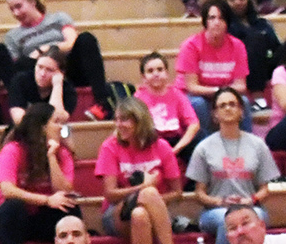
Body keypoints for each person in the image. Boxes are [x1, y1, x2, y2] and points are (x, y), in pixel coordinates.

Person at [0, 0, 112, 120]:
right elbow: (16, 68)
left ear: (32, 2)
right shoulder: (13, 36)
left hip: (67, 69)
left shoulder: (58, 19)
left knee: (86, 38)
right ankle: (15, 107)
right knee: (0, 50)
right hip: (38, 75)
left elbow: (71, 42)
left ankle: (103, 103)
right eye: (12, 9)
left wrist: (44, 49)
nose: (16, 13)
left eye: (19, 6)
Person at [186, 87, 279, 244]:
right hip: (214, 211)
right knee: (228, 220)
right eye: (222, 105)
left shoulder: (258, 145)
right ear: (214, 114)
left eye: (232, 104)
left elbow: (265, 189)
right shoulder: (203, 148)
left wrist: (251, 199)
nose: (228, 108)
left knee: (254, 219)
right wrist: (220, 202)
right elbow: (199, 194)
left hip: (250, 207)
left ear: (241, 111)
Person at [0, 102, 81, 244]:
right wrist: (47, 200)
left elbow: (64, 190)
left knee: (69, 207)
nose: (60, 127)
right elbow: (8, 191)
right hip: (7, 219)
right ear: (42, 127)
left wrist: (51, 157)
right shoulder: (13, 149)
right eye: (55, 122)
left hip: (39, 217)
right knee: (14, 207)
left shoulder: (62, 152)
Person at [94, 98, 183, 244]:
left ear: (139, 120)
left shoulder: (162, 146)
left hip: (153, 212)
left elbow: (177, 192)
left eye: (124, 120)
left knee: (140, 214)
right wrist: (142, 189)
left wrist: (151, 203)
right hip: (117, 212)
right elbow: (110, 194)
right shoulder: (110, 146)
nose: (118, 125)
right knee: (148, 192)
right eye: (116, 120)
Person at [176, 0, 254, 136]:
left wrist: (222, 94)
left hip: (223, 93)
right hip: (196, 95)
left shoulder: (237, 46)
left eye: (221, 18)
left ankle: (246, 145)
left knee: (245, 103)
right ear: (205, 21)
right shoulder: (191, 46)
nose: (216, 23)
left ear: (227, 22)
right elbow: (192, 87)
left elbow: (241, 86)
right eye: (212, 18)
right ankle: (205, 148)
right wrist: (219, 91)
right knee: (198, 105)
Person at [133, 52, 202, 164]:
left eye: (160, 69)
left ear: (167, 73)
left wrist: (177, 148)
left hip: (175, 140)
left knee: (198, 148)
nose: (156, 74)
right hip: (151, 140)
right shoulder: (138, 97)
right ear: (143, 77)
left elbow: (194, 124)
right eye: (150, 71)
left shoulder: (177, 94)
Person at [223, 0, 280, 93]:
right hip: (233, 69)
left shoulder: (263, 24)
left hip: (266, 66)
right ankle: (257, 95)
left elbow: (277, 50)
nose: (238, 2)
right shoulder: (224, 27)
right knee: (255, 40)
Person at [7, 45, 77, 125]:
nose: (42, 74)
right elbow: (18, 118)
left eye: (49, 70)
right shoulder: (20, 80)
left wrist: (57, 85)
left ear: (61, 73)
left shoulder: (67, 89)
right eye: (40, 67)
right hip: (23, 133)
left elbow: (57, 120)